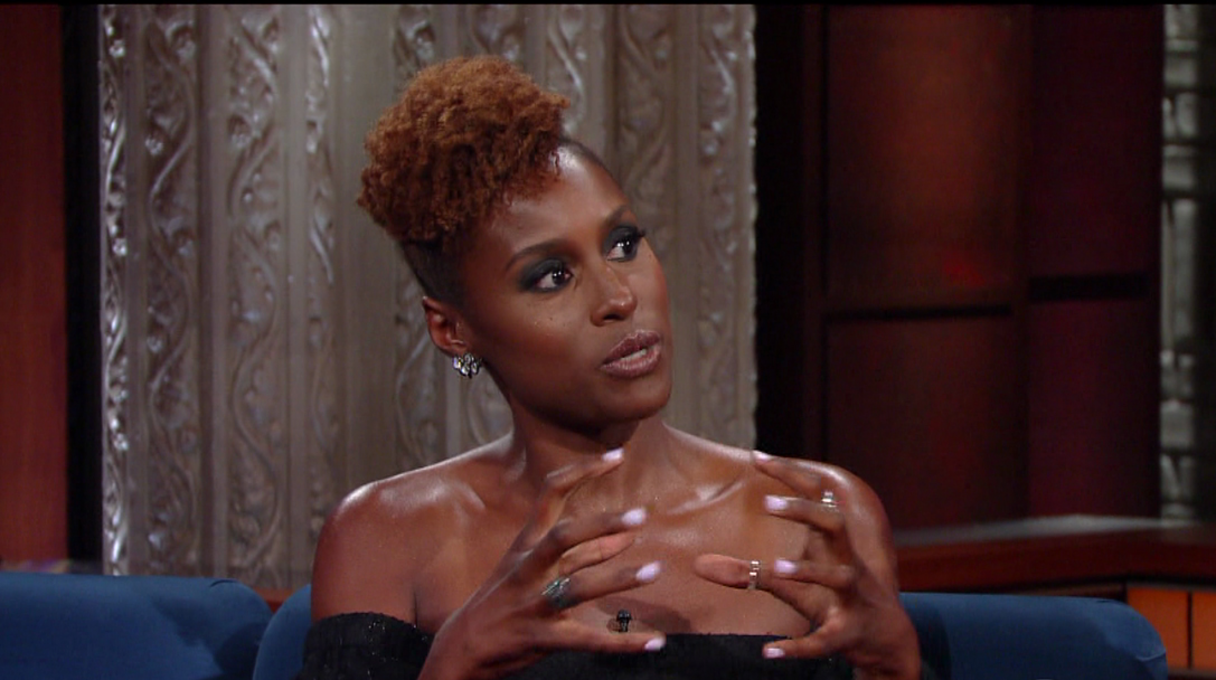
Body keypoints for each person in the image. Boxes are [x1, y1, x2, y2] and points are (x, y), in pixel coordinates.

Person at [300, 55, 929, 680]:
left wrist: (898, 669)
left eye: (623, 244)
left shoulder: (818, 515)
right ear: (452, 328)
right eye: (552, 276)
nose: (619, 297)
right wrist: (455, 662)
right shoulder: (385, 537)